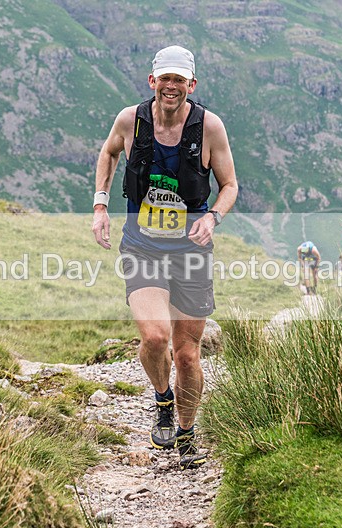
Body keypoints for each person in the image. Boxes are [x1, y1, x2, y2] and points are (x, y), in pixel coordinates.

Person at [91, 45, 238, 469]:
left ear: (191, 85)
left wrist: (212, 217)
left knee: (187, 354)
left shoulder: (209, 127)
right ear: (152, 80)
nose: (171, 86)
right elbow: (109, 153)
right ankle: (162, 399)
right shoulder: (131, 120)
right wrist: (100, 205)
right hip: (143, 246)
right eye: (165, 78)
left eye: (180, 80)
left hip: (191, 251)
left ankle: (187, 431)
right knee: (155, 338)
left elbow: (229, 185)